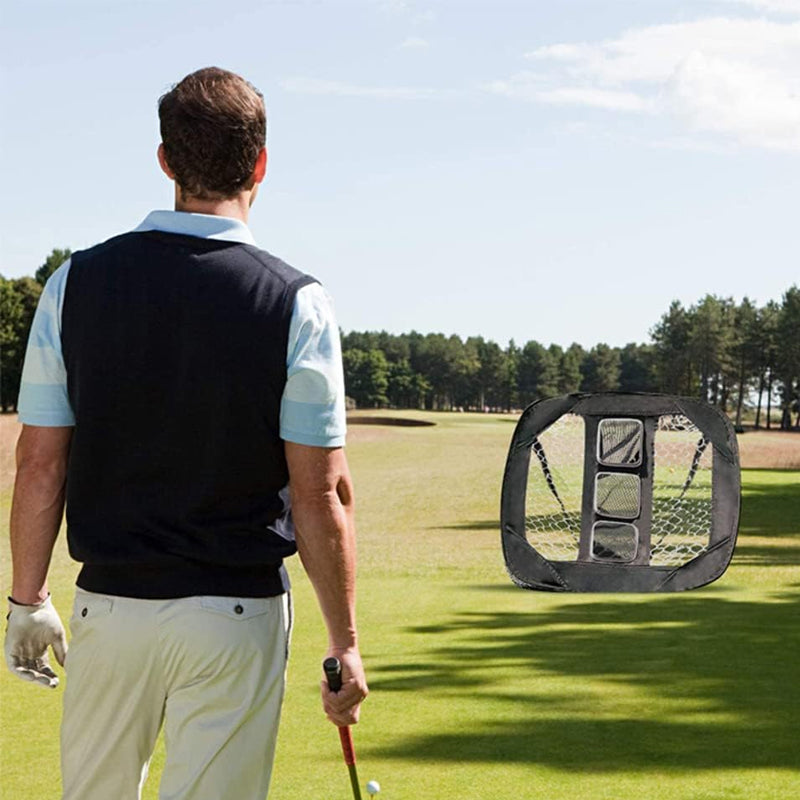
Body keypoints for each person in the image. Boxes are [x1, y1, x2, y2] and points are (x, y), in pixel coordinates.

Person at [4, 66, 367, 800]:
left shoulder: (75, 283)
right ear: (261, 164)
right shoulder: (298, 302)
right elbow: (320, 492)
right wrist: (345, 644)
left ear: (166, 160)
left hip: (109, 613)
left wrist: (26, 599)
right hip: (236, 619)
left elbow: (41, 464)